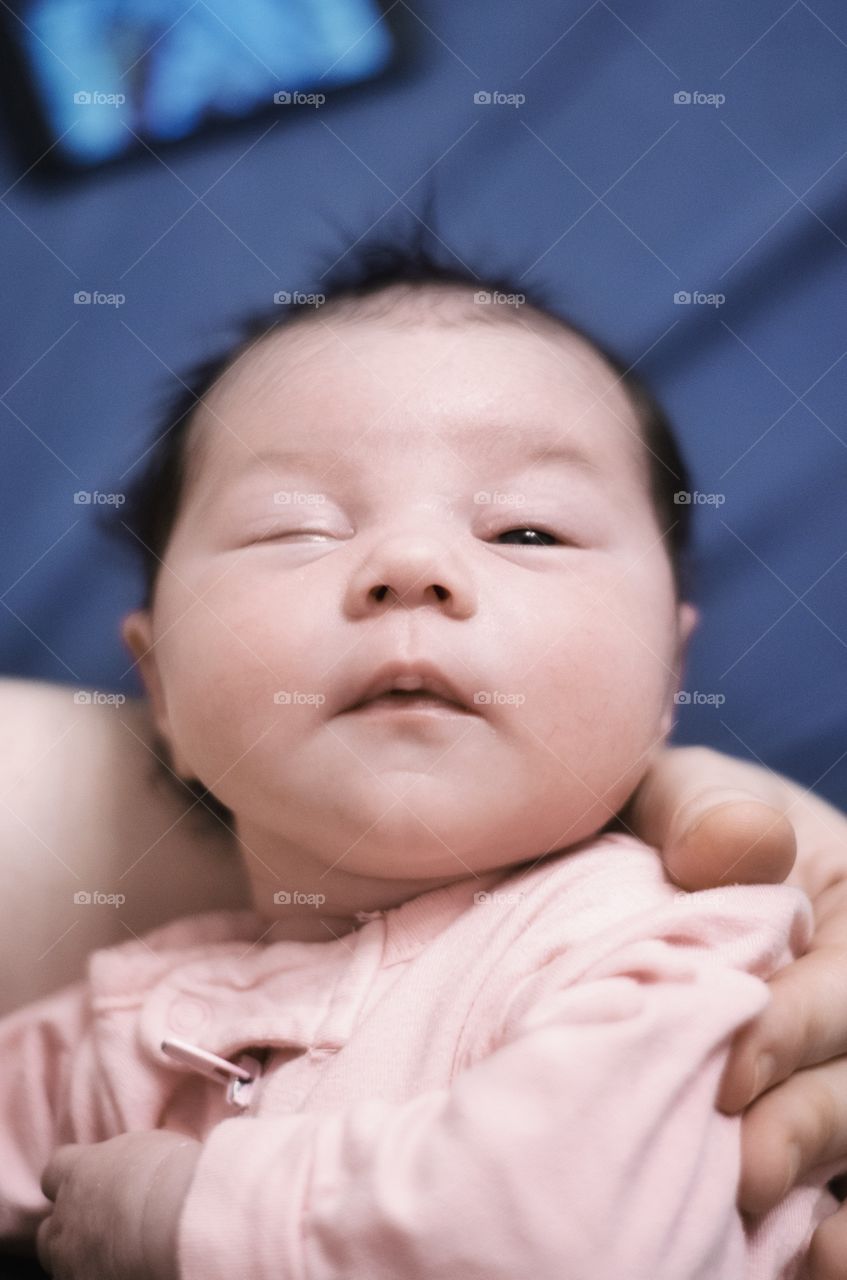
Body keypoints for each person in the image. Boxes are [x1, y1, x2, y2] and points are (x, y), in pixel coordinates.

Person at [2, 245, 846, 1279]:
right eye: (296, 526)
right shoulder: (121, 1021)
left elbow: (569, 1231)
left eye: (527, 529)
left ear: (669, 673)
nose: (410, 568)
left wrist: (185, 1216)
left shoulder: (670, 937)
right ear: (160, 683)